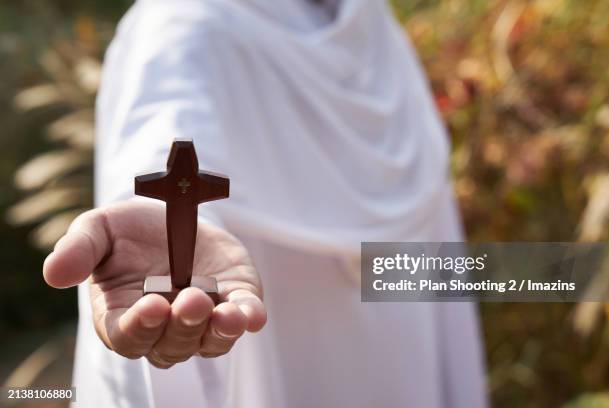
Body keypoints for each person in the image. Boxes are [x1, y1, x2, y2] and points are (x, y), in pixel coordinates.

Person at [43, 0, 487, 406]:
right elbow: (168, 128)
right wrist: (160, 221)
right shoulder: (185, 23)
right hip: (284, 348)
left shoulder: (371, 22)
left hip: (404, 352)